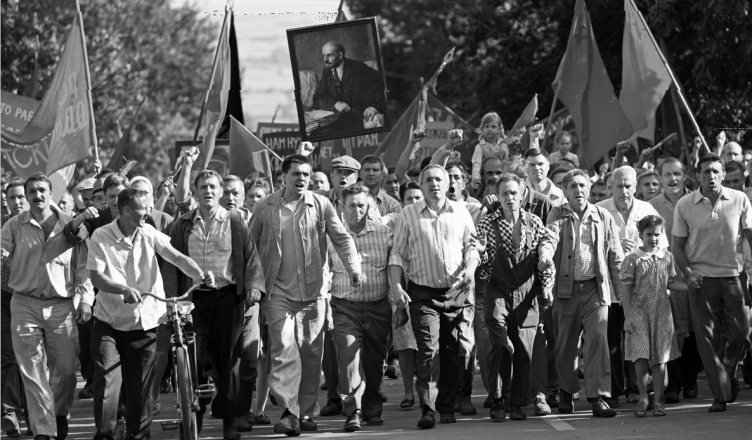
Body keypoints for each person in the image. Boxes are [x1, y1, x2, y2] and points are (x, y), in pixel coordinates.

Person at [87, 187, 214, 440]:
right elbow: (96, 277)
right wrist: (122, 289)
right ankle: (105, 434)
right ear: (125, 210)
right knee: (108, 380)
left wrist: (200, 275)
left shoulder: (148, 232)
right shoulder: (101, 235)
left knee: (140, 390)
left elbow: (177, 257)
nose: (147, 213)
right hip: (108, 323)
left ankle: (138, 435)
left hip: (144, 324)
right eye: (142, 209)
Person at [250, 154, 361, 436]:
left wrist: (353, 268)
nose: (301, 179)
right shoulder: (265, 207)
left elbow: (342, 238)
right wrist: (253, 283)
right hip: (277, 293)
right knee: (284, 350)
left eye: (306, 174)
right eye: (296, 173)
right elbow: (250, 248)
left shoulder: (321, 205)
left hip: (313, 293)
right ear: (284, 177)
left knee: (311, 355)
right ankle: (289, 412)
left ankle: (306, 413)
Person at [161, 167, 265, 439]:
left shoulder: (235, 221)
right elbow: (170, 263)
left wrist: (254, 286)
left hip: (227, 297)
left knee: (228, 359)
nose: (208, 191)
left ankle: (228, 419)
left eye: (212, 187)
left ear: (220, 192)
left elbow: (251, 257)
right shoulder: (182, 224)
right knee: (195, 355)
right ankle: (193, 412)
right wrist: (172, 299)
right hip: (193, 299)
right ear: (194, 193)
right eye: (203, 187)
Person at [1, 172, 94, 440]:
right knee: (32, 371)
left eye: (42, 190)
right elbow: (2, 248)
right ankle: (44, 431)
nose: (37, 195)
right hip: (24, 304)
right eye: (32, 191)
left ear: (51, 193)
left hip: (61, 307)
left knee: (66, 372)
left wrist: (85, 300)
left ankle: (59, 412)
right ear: (27, 196)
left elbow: (84, 268)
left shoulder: (71, 225)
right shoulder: (13, 225)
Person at [390, 164, 479, 429]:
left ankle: (447, 406)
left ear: (448, 184)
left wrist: (470, 270)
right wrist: (397, 287)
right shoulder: (408, 214)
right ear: (421, 184)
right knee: (428, 350)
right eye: (428, 179)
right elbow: (397, 255)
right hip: (422, 293)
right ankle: (428, 408)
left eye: (439, 179)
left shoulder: (461, 211)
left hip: (455, 292)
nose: (434, 183)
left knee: (451, 351)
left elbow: (472, 246)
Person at [672, 154, 752, 412]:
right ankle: (720, 394)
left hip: (735, 277)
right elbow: (677, 246)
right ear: (698, 176)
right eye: (706, 172)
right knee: (708, 341)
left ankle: (726, 376)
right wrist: (687, 273)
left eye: (716, 171)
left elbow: (750, 236)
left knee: (741, 336)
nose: (711, 176)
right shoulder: (685, 204)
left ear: (723, 174)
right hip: (701, 279)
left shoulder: (739, 199)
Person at [475, 173, 555, 422]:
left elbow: (545, 260)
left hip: (526, 295)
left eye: (513, 193)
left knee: (523, 350)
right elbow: (482, 266)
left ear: (522, 196)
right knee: (501, 345)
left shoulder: (535, 222)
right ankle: (498, 400)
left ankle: (517, 403)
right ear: (497, 197)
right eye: (504, 193)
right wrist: (481, 253)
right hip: (497, 291)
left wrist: (547, 287)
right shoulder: (487, 223)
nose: (509, 198)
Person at [546, 169, 623, 418]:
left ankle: (598, 397)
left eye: (582, 185)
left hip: (595, 289)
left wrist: (622, 294)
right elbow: (549, 237)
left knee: (598, 340)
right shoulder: (557, 213)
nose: (578, 190)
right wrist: (545, 255)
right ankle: (567, 392)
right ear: (565, 192)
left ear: (589, 189)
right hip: (565, 290)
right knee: (566, 345)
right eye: (573, 186)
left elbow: (616, 257)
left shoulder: (603, 216)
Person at [596, 166, 667, 406]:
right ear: (611, 187)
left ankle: (635, 388)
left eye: (628, 186)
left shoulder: (646, 209)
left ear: (635, 187)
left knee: (637, 342)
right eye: (619, 186)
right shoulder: (600, 210)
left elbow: (661, 247)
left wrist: (637, 248)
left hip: (640, 290)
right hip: (609, 288)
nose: (624, 191)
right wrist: (614, 245)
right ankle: (614, 391)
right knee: (612, 342)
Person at [326, 184, 393, 432]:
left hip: (378, 306)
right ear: (341, 207)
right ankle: (352, 411)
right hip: (345, 307)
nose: (357, 210)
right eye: (352, 205)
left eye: (362, 205)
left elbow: (394, 269)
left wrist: (397, 303)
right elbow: (324, 271)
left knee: (375, 362)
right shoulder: (331, 235)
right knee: (348, 359)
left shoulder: (385, 234)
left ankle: (372, 410)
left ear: (370, 207)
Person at [648, 156, 703, 402]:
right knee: (671, 331)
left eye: (677, 174)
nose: (672, 179)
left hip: (695, 273)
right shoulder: (650, 207)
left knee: (695, 328)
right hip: (665, 278)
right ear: (659, 179)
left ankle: (691, 381)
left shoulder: (698, 201)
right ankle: (674, 385)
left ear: (685, 176)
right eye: (667, 174)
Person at [621, 215, 687, 418]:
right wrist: (627, 316)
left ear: (662, 234)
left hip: (661, 313)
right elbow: (626, 290)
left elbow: (670, 282)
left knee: (660, 359)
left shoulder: (667, 257)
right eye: (649, 234)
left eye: (657, 234)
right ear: (640, 235)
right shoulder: (632, 259)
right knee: (640, 357)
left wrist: (689, 286)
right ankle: (643, 397)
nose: (653, 238)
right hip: (638, 313)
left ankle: (658, 400)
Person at [1, 178, 28, 438]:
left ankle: (36, 414)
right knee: (8, 356)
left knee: (32, 358)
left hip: (34, 300)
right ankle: (10, 413)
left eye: (21, 196)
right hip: (5, 299)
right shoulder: (3, 227)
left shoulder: (46, 225)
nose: (17, 201)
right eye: (12, 197)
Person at [311, 42, 384, 135]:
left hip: (359, 118)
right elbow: (317, 97)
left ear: (340, 55)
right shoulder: (327, 71)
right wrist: (335, 104)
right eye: (324, 56)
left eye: (329, 55)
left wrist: (374, 107)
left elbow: (381, 87)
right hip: (337, 120)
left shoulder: (359, 68)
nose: (325, 59)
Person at [471, 112, 509, 183]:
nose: (489, 129)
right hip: (485, 180)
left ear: (499, 129)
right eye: (487, 126)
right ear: (482, 129)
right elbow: (477, 164)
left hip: (501, 179)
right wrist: (476, 179)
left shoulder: (503, 145)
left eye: (493, 127)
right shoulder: (480, 147)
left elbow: (506, 163)